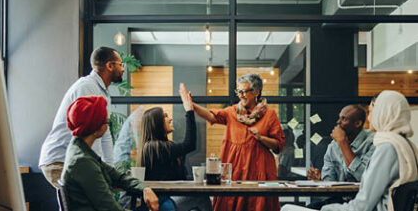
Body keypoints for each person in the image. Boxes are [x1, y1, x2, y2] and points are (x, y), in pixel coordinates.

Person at [281, 90, 418, 211]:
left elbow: (362, 206)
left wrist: (328, 209)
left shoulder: (387, 148)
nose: (369, 118)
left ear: (384, 113)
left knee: (287, 208)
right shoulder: (406, 146)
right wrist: (320, 180)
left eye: (371, 112)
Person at [180, 73, 285, 211]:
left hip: (259, 171)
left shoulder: (269, 114)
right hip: (235, 171)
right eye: (238, 91)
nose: (240, 95)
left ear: (256, 92)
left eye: (244, 91)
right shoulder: (232, 112)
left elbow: (278, 145)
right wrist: (191, 105)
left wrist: (261, 138)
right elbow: (211, 115)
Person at [39, 46, 124, 187]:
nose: (122, 69)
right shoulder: (87, 87)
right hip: (61, 160)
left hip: (72, 161)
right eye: (121, 65)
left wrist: (110, 170)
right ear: (110, 65)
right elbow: (86, 131)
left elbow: (105, 134)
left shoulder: (103, 93)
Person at [61, 96, 159, 211]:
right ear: (98, 128)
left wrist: (145, 188)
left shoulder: (80, 150)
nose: (108, 125)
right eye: (107, 121)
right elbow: (110, 208)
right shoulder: (83, 162)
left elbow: (119, 177)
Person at [137, 84, 197, 210]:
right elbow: (189, 144)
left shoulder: (163, 147)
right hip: (162, 202)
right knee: (201, 198)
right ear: (156, 123)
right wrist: (189, 111)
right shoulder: (153, 147)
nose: (170, 119)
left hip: (170, 199)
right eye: (165, 116)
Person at [306, 105, 375, 208]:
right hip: (338, 202)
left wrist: (343, 143)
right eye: (339, 118)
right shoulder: (333, 146)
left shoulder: (372, 142)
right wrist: (319, 180)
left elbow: (364, 177)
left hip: (363, 202)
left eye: (344, 119)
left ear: (358, 123)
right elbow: (329, 186)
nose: (338, 122)